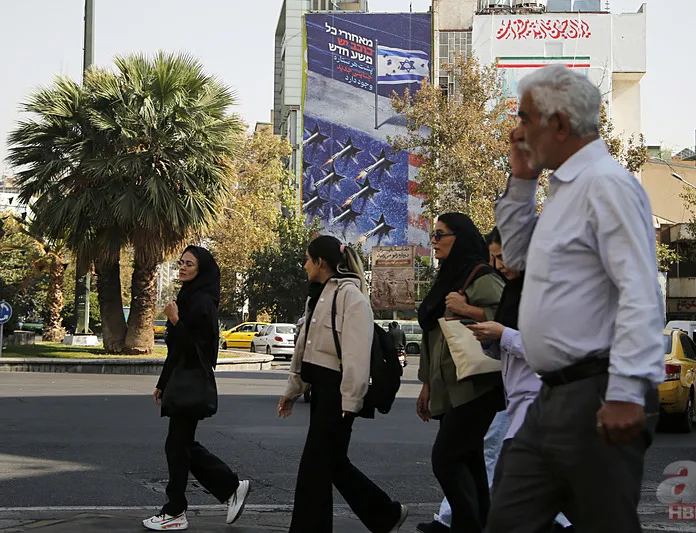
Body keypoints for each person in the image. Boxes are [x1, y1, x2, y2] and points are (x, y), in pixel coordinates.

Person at [487, 65, 664, 532]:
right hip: (552, 396)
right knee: (507, 519)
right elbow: (519, 255)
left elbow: (641, 292)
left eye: (525, 118)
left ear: (559, 125)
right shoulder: (564, 188)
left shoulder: (607, 185)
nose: (516, 130)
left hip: (598, 392)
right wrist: (522, 181)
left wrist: (626, 392)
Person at [277, 235, 408, 533]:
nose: (304, 265)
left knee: (314, 468)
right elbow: (303, 350)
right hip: (321, 391)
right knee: (330, 463)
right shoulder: (318, 295)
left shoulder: (351, 297)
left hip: (338, 394)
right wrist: (292, 390)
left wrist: (351, 401)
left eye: (308, 259)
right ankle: (385, 514)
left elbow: (356, 357)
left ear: (321, 262)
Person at [467, 228, 573, 532]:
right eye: (494, 258)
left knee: (508, 495)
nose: (499, 265)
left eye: (503, 257)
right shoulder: (514, 290)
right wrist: (490, 340)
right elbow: (513, 353)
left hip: (542, 406)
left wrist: (503, 334)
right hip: (520, 405)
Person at [144, 246, 250, 531]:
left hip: (191, 383)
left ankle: (176, 510)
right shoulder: (187, 297)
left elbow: (200, 352)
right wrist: (162, 383)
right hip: (180, 381)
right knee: (181, 446)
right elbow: (176, 350)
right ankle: (229, 488)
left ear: (201, 269)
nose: (182, 267)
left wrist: (176, 320)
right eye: (181, 262)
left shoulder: (202, 302)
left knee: (178, 446)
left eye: (188, 263)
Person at [416, 213, 506, 533]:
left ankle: (467, 526)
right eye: (433, 235)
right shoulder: (449, 278)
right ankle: (481, 523)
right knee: (470, 460)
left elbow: (512, 317)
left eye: (440, 235)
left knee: (446, 458)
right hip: (450, 387)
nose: (434, 242)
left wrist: (467, 309)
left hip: (477, 386)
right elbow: (433, 334)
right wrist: (426, 385)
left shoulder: (480, 276)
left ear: (460, 237)